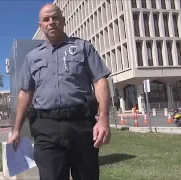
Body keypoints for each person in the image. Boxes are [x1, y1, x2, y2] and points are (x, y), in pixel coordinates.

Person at [8, 3, 111, 180]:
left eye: (55, 17)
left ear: (63, 21)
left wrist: (103, 119)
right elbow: (25, 93)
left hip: (81, 125)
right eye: (46, 19)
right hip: (46, 128)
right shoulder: (32, 57)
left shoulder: (82, 48)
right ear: (40, 26)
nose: (51, 22)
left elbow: (100, 81)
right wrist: (16, 129)